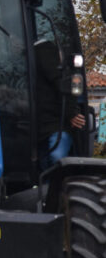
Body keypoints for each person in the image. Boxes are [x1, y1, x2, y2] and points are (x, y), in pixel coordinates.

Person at [35, 39, 85, 170]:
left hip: (55, 125)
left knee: (56, 159)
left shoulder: (43, 52)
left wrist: (71, 113)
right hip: (41, 126)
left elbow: (64, 84)